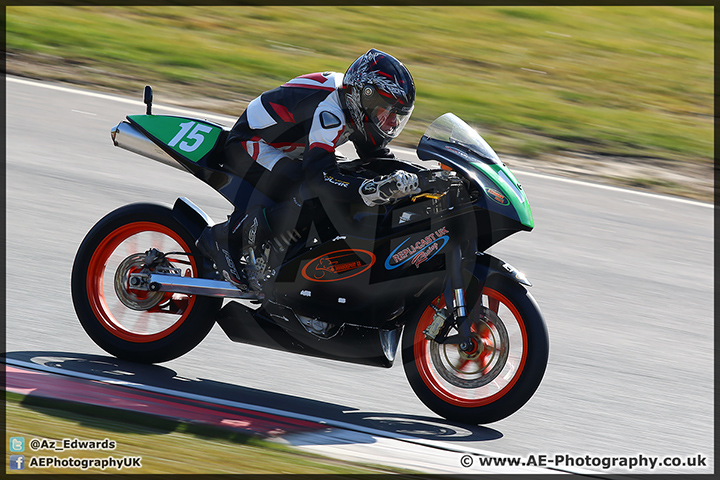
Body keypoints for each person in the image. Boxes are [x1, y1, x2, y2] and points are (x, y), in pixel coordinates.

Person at [197, 48, 421, 291]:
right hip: (252, 143)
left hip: (292, 149)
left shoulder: (355, 104)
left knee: (351, 179)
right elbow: (320, 178)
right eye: (387, 112)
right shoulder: (331, 109)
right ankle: (225, 237)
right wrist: (368, 189)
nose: (391, 123)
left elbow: (377, 159)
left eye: (397, 116)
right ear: (365, 98)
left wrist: (422, 176)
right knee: (312, 192)